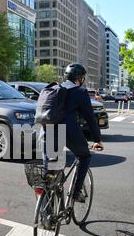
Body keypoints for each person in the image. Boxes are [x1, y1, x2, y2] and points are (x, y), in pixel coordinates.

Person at [41, 64, 104, 203]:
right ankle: (76, 192)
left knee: (50, 171)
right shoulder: (80, 92)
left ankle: (46, 215)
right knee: (85, 156)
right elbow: (90, 118)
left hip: (47, 130)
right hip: (68, 131)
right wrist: (97, 140)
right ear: (80, 78)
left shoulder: (53, 89)